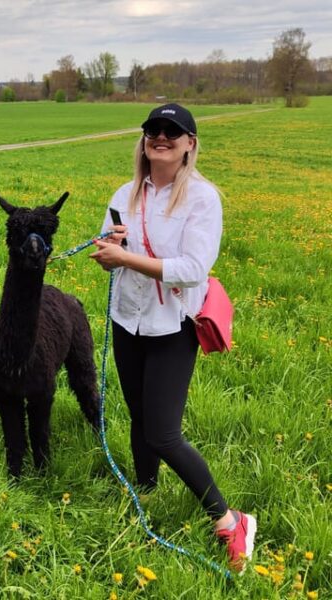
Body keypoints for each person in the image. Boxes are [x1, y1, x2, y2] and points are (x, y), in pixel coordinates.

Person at [89, 104, 256, 572]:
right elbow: (109, 245)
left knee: (163, 433)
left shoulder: (202, 199)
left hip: (173, 326)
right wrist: (110, 249)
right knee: (139, 416)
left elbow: (192, 269)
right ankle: (145, 493)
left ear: (189, 144)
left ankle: (230, 520)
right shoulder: (126, 193)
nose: (160, 137)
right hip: (129, 320)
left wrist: (126, 260)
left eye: (172, 131)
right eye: (152, 131)